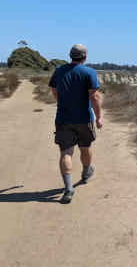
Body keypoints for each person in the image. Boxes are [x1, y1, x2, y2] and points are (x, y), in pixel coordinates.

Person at [48, 44, 103, 203]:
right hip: (84, 119)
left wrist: (62, 102)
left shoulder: (59, 70)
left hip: (63, 118)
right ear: (84, 57)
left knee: (66, 152)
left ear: (70, 55)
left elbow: (54, 90)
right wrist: (99, 117)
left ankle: (68, 189)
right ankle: (86, 173)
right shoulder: (89, 72)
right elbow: (95, 97)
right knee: (85, 148)